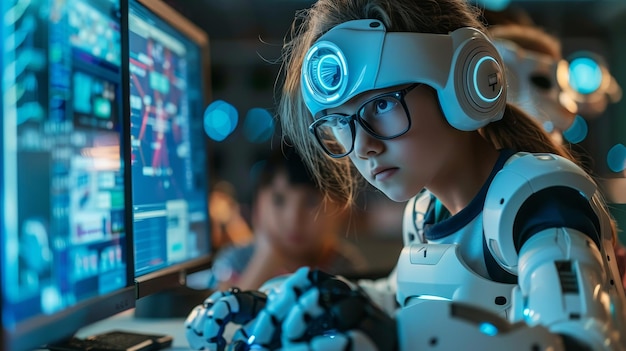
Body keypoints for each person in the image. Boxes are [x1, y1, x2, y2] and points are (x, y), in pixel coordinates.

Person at [185, 1, 626, 350]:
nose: (363, 146)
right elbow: (400, 298)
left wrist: (393, 337)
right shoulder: (424, 212)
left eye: (381, 105)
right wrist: (279, 299)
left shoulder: (537, 197)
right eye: (339, 123)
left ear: (463, 85)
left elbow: (582, 340)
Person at [206, 144, 368, 291]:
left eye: (311, 202)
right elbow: (220, 319)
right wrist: (267, 258)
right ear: (257, 205)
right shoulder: (235, 261)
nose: (294, 219)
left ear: (342, 208)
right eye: (279, 200)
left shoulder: (344, 268)